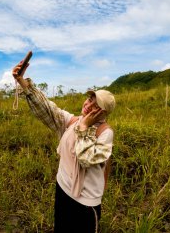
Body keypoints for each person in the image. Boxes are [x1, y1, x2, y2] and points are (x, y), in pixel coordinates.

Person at [12, 58, 115, 233]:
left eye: (95, 105)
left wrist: (83, 128)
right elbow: (49, 110)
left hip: (85, 203)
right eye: (89, 99)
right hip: (63, 190)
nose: (88, 105)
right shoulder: (74, 121)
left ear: (103, 113)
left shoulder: (105, 133)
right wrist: (24, 83)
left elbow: (86, 159)